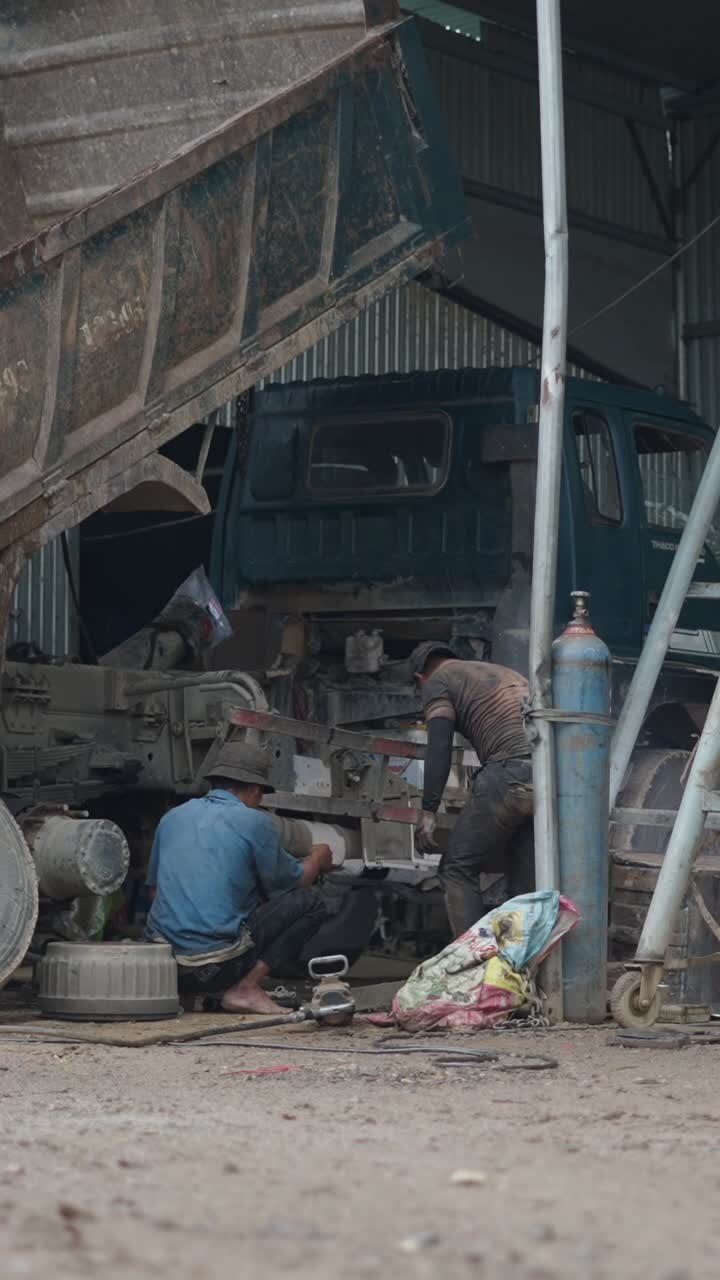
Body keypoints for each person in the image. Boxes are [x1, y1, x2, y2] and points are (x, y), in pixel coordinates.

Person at [145, 741, 332, 1014]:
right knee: (311, 902)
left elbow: (154, 893)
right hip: (215, 967)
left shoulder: (172, 817)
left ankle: (190, 994)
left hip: (165, 968)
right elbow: (292, 882)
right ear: (256, 790)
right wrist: (317, 857)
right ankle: (246, 988)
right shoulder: (255, 822)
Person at [410, 642, 534, 938]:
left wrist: (429, 810)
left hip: (508, 773)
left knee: (456, 869)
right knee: (525, 881)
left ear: (419, 679)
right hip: (546, 776)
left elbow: (438, 747)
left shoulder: (437, 682)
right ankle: (524, 966)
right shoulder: (497, 672)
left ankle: (473, 964)